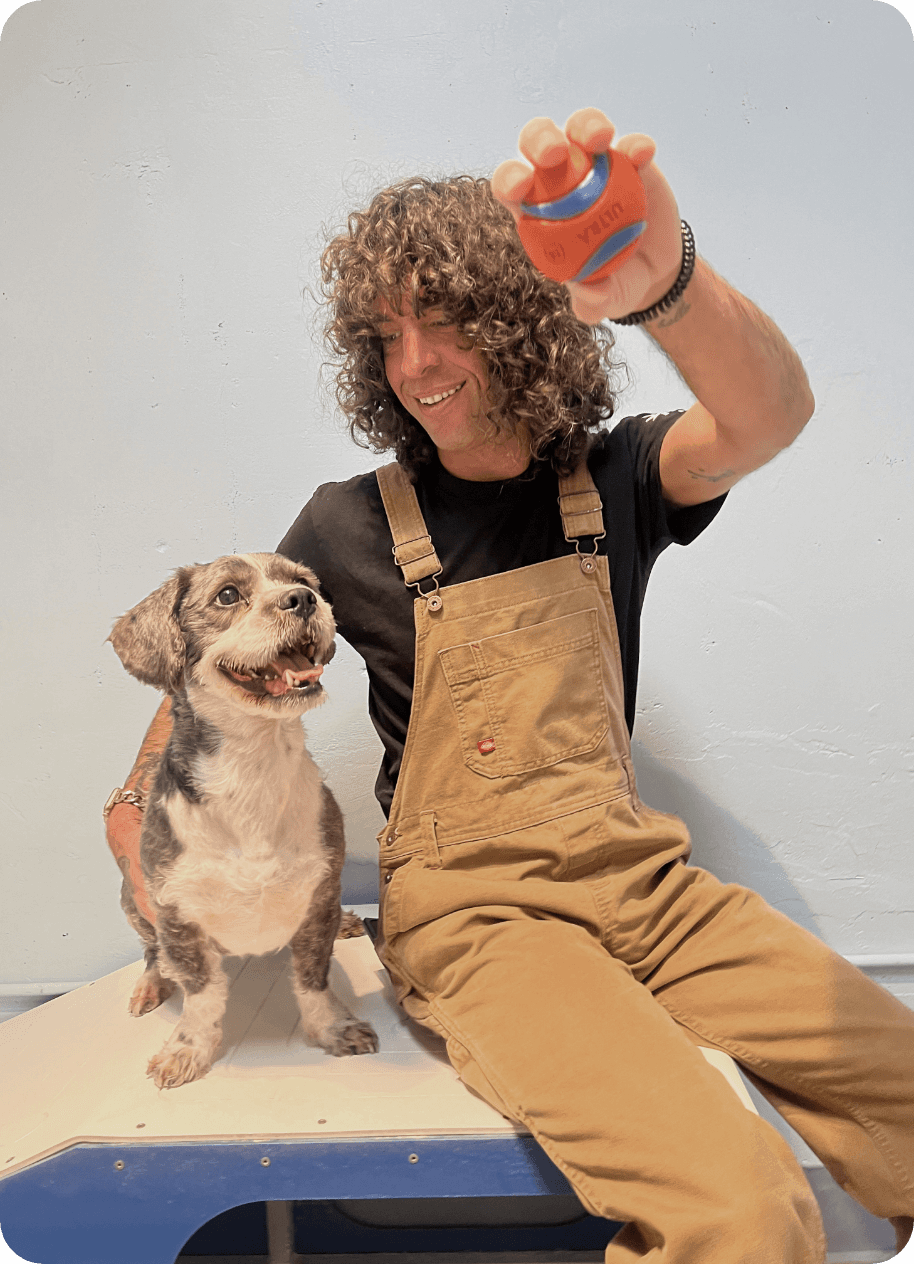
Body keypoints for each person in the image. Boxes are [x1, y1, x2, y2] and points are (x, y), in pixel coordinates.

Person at [108, 110, 914, 1263]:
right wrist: (138, 797)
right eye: (386, 334)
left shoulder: (620, 476)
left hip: (646, 886)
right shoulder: (347, 524)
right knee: (741, 1212)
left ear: (521, 319)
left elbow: (767, 415)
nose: (414, 364)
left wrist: (665, 283)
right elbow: (207, 668)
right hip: (481, 917)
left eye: (442, 324)